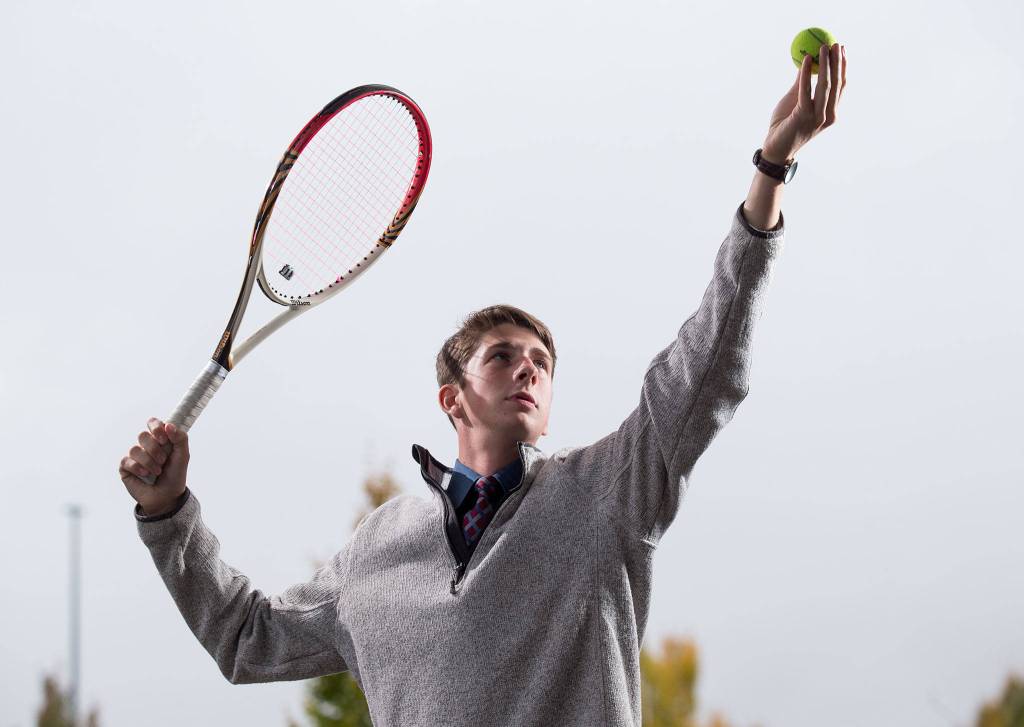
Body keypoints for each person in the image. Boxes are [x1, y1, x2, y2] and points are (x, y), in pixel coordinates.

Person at [119, 43, 846, 726]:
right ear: (452, 396)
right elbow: (248, 639)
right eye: (503, 355)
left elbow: (708, 365)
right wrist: (166, 510)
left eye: (542, 361)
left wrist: (771, 169)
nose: (528, 366)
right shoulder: (379, 548)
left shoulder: (606, 493)